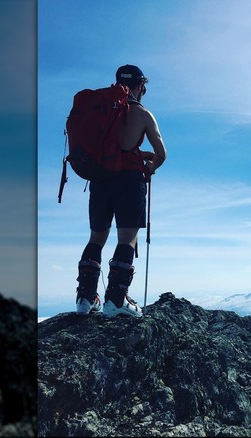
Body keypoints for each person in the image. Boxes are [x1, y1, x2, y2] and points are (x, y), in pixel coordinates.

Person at [75, 64, 166, 317]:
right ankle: (115, 300)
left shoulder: (105, 108)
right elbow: (161, 154)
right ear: (140, 86)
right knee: (127, 239)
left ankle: (85, 298)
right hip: (129, 181)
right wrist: (149, 168)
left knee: (96, 238)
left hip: (101, 178)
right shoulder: (143, 114)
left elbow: (113, 146)